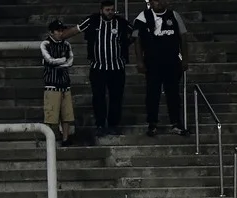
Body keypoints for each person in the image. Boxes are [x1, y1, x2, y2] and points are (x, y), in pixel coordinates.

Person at [64, 1, 133, 135]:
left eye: (112, 10)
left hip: (117, 68)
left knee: (116, 98)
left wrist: (130, 42)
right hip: (98, 68)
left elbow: (136, 31)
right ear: (101, 10)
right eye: (107, 10)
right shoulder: (92, 20)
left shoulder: (121, 22)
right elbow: (76, 29)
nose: (110, 12)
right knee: (98, 97)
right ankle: (100, 124)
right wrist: (60, 37)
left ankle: (113, 124)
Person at [134, 0, 189, 137]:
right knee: (152, 94)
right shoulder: (142, 17)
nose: (158, 3)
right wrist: (139, 60)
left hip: (172, 62)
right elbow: (136, 39)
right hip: (152, 63)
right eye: (155, 1)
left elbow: (183, 36)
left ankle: (176, 123)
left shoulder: (174, 15)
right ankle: (152, 124)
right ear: (151, 3)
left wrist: (185, 59)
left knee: (173, 94)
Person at [41, 21, 75, 147]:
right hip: (52, 84)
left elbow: (70, 61)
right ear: (51, 32)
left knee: (67, 114)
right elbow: (49, 60)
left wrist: (59, 63)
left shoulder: (66, 44)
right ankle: (51, 140)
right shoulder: (46, 44)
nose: (60, 33)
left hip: (65, 83)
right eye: (58, 30)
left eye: (62, 30)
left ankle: (65, 139)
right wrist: (62, 61)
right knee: (51, 115)